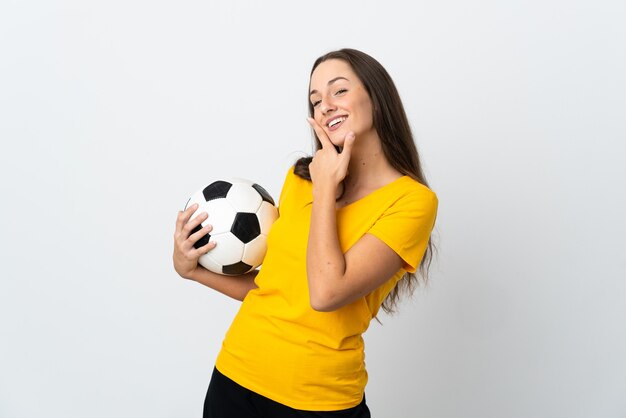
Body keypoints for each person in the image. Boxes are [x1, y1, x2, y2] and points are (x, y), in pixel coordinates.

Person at [173, 48, 438, 418]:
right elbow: (274, 291)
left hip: (318, 399)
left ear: (377, 98)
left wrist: (326, 189)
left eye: (339, 91)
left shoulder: (412, 202)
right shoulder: (300, 179)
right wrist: (192, 270)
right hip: (235, 376)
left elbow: (326, 293)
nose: (325, 105)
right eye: (315, 100)